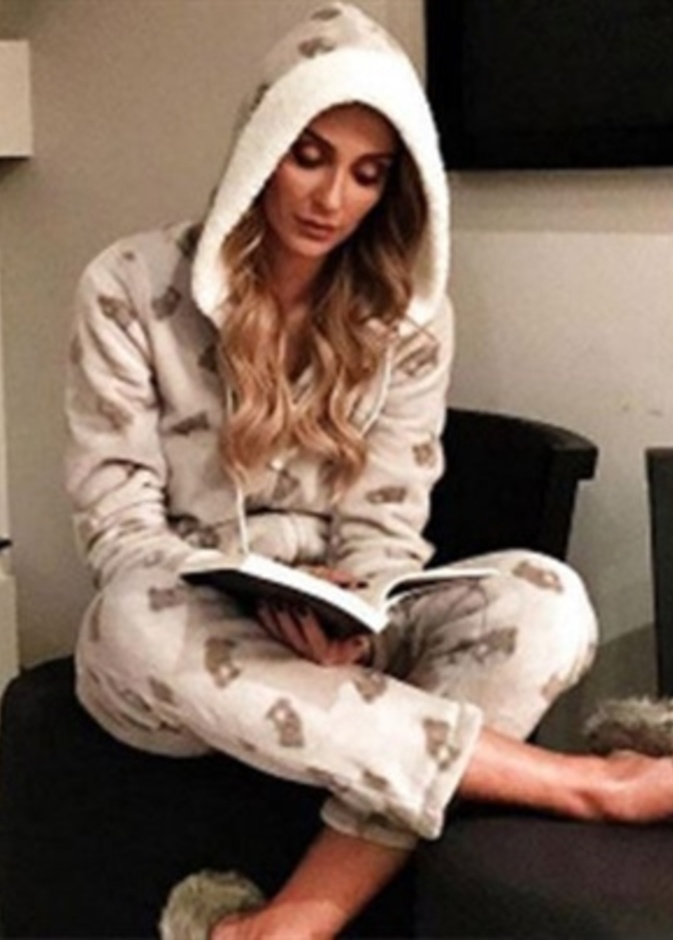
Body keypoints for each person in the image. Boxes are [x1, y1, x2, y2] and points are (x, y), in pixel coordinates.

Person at [64, 4, 673, 938]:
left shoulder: (408, 319)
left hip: (338, 636)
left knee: (546, 598)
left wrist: (355, 616)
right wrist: (247, 593)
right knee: (129, 618)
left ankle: (290, 921)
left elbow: (387, 529)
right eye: (308, 156)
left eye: (367, 172)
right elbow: (118, 530)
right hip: (184, 633)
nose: (330, 198)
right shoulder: (127, 287)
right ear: (261, 145)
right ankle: (585, 786)